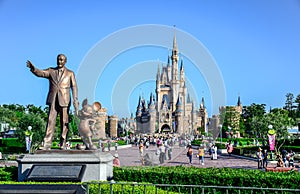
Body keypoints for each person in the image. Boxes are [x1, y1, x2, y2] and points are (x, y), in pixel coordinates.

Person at [27, 54, 79, 150]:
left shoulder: (70, 73)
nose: (59, 61)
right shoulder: (51, 71)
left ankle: (63, 143)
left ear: (65, 61)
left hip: (64, 99)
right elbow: (41, 73)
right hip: (53, 99)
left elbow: (74, 87)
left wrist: (76, 99)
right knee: (50, 121)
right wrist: (33, 68)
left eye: (61, 60)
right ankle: (47, 143)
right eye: (58, 59)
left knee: (64, 122)